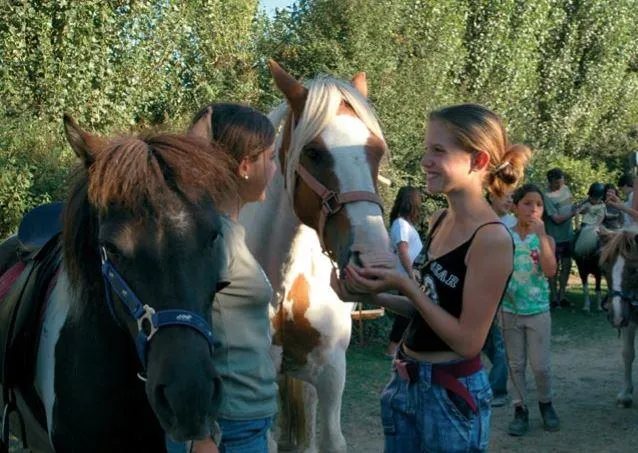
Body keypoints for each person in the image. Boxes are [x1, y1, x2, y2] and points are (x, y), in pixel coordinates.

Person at [332, 103, 530, 452]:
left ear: (478, 161)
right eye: (427, 149)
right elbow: (427, 308)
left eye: (438, 150)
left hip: (449, 396)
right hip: (406, 383)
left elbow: (468, 342)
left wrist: (405, 282)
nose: (425, 161)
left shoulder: (491, 238)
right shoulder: (440, 219)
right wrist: (368, 294)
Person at [166, 103, 278, 453]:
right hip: (225, 428)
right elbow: (179, 336)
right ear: (246, 165)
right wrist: (200, 435)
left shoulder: (228, 233)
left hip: (244, 420)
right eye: (271, 158)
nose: (274, 169)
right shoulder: (214, 241)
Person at [501, 184, 559, 436]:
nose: (533, 209)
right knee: (516, 365)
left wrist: (543, 237)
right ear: (514, 207)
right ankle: (520, 410)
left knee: (541, 366)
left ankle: (546, 404)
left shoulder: (547, 239)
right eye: (527, 203)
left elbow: (549, 271)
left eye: (538, 204)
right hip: (509, 311)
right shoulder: (504, 236)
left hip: (538, 311)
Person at [482, 189, 515, 408]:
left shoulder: (514, 223)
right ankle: (503, 370)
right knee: (483, 339)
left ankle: (498, 389)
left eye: (513, 196)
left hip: (507, 290)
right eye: (506, 195)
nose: (510, 200)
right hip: (482, 288)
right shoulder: (481, 221)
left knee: (501, 342)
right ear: (491, 196)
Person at [384, 186, 423, 357]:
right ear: (411, 202)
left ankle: (400, 347)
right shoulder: (400, 224)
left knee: (409, 313)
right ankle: (392, 349)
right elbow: (402, 250)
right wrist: (411, 273)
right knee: (405, 314)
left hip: (409, 275)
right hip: (405, 275)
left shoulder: (405, 224)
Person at [543, 168, 579, 309]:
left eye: (562, 181)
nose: (560, 184)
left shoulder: (566, 189)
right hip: (554, 237)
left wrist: (576, 211)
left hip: (568, 236)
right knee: (553, 268)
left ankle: (563, 295)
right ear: (551, 181)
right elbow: (556, 219)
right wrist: (573, 213)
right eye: (557, 183)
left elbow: (571, 207)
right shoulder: (546, 196)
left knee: (567, 266)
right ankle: (553, 297)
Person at [573, 182, 606, 257]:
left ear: (599, 198)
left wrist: (596, 227)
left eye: (594, 198)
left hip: (594, 227)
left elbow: (601, 217)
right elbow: (577, 211)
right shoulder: (587, 204)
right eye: (591, 197)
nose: (591, 199)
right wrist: (577, 226)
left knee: (600, 242)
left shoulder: (602, 207)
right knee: (574, 239)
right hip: (584, 225)